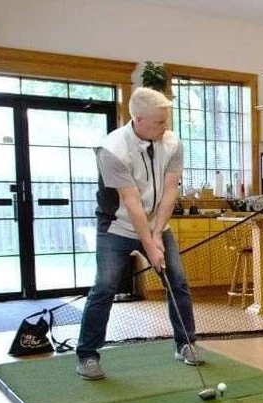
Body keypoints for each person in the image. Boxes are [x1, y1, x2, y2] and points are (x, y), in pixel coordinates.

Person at [75, 87, 202, 380]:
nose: (165, 126)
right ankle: (87, 355)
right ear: (138, 119)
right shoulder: (111, 149)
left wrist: (157, 234)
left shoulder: (172, 143)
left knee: (177, 281)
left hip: (158, 224)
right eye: (159, 122)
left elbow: (169, 191)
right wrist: (149, 243)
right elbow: (131, 202)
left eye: (166, 120)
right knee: (105, 286)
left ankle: (185, 344)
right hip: (116, 226)